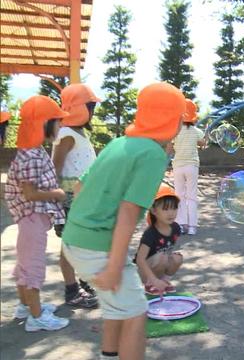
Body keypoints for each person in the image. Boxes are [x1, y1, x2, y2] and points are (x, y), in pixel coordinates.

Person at [61, 82, 186, 360]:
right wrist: (115, 265)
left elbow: (80, 188)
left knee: (118, 307)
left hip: (74, 240)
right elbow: (129, 213)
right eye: (179, 116)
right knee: (136, 313)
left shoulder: (119, 142)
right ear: (168, 119)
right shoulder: (154, 154)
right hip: (97, 248)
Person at [4, 96, 71, 332]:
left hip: (31, 220)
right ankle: (36, 317)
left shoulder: (32, 151)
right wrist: (58, 193)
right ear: (43, 123)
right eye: (56, 121)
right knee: (32, 268)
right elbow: (30, 194)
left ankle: (25, 306)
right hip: (32, 218)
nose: (60, 126)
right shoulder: (31, 156)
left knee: (24, 265)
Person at [51, 83, 100, 309]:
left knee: (82, 244)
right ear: (79, 108)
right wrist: (57, 210)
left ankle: (83, 282)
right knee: (69, 246)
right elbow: (56, 169)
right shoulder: (66, 134)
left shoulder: (79, 133)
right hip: (71, 200)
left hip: (84, 198)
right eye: (90, 107)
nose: (93, 111)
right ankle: (72, 291)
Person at [134, 185, 183, 295]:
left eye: (174, 208)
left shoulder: (176, 228)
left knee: (177, 258)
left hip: (160, 263)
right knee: (162, 257)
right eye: (165, 209)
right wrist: (153, 279)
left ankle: (164, 282)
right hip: (144, 271)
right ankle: (149, 284)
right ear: (154, 210)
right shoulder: (150, 233)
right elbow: (140, 260)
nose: (171, 213)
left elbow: (169, 250)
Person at [172, 99, 206, 235]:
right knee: (192, 196)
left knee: (179, 195)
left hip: (178, 165)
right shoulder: (197, 131)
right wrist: (203, 140)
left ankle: (180, 225)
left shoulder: (176, 130)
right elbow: (203, 144)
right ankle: (192, 227)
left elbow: (169, 146)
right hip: (192, 166)